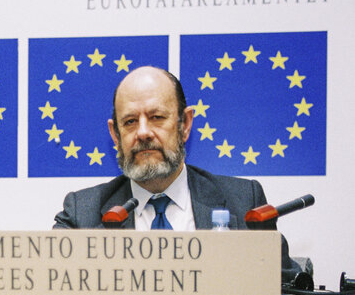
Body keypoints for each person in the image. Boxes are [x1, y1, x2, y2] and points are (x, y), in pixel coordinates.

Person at [53, 66, 301, 282]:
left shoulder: (244, 201)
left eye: (156, 117)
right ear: (115, 135)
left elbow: (287, 292)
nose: (143, 133)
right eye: (129, 122)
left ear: (185, 124)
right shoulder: (81, 214)